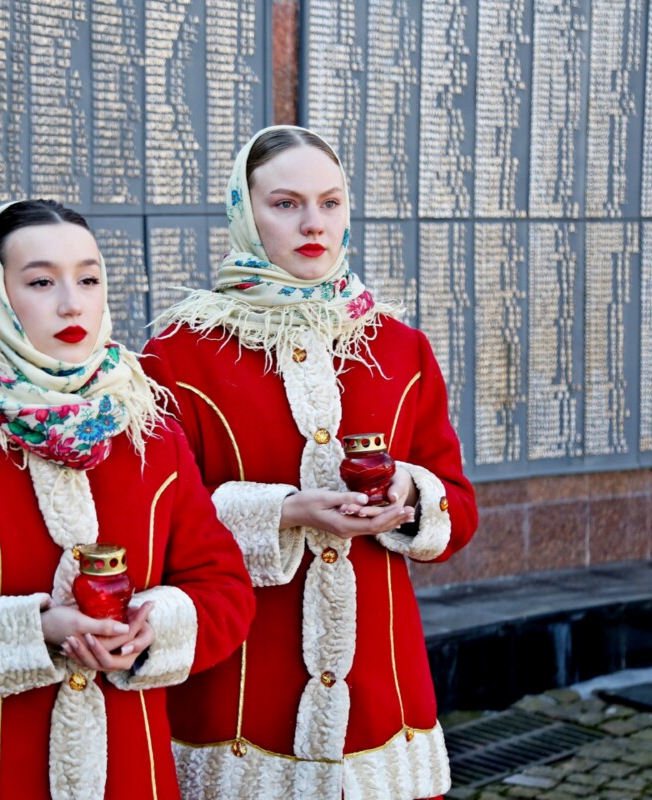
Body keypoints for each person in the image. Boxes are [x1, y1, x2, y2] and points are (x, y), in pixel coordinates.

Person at [0, 199, 255, 800]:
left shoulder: (150, 435)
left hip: (129, 774)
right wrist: (35, 632)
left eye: (88, 278)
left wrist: (153, 629)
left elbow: (225, 590)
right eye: (41, 281)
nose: (72, 303)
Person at [142, 126, 478, 799]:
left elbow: (460, 509)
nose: (313, 224)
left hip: (383, 698)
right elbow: (156, 522)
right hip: (237, 689)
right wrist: (283, 511)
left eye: (330, 202)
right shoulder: (181, 354)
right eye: (286, 204)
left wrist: (409, 496)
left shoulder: (400, 348)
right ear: (244, 210)